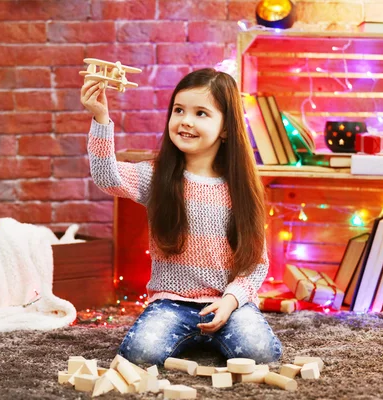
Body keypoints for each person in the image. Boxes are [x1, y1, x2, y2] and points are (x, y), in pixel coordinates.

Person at [80, 68, 282, 366]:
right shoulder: (156, 176)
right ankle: (200, 341)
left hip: (227, 303)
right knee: (139, 355)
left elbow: (256, 262)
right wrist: (100, 119)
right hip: (170, 303)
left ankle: (215, 335)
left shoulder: (240, 189)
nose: (186, 121)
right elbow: (106, 175)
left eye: (201, 113)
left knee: (263, 355)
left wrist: (231, 301)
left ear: (226, 128)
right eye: (179, 110)